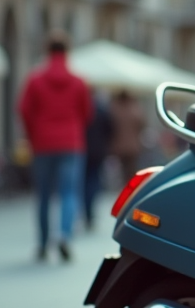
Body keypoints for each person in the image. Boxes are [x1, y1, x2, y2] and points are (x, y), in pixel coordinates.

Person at [18, 32, 93, 262]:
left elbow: (24, 110)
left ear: (47, 51)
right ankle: (64, 236)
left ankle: (42, 243)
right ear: (67, 52)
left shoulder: (35, 79)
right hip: (71, 143)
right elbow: (87, 113)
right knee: (69, 193)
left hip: (42, 143)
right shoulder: (78, 81)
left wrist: (33, 135)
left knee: (43, 196)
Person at [82, 91, 114, 231]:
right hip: (98, 150)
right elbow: (110, 129)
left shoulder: (82, 110)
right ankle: (90, 212)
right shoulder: (101, 110)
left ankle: (86, 212)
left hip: (81, 149)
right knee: (94, 181)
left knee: (83, 182)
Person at [109, 89, 146, 181]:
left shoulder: (114, 109)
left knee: (119, 171)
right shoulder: (135, 109)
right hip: (133, 146)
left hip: (117, 146)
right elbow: (142, 124)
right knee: (131, 171)